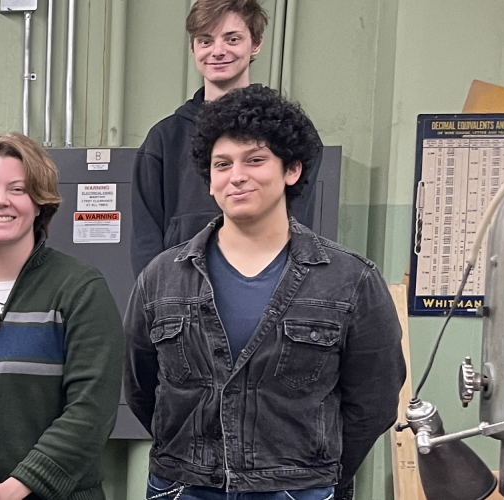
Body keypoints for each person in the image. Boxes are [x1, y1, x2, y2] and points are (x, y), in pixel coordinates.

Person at [123, 86, 404, 500]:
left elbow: (374, 401)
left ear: (291, 170)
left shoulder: (351, 280)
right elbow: (141, 387)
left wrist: (314, 474)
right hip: (184, 486)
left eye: (255, 160)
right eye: (222, 164)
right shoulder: (161, 278)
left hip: (297, 489)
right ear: (210, 179)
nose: (237, 175)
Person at [0, 134, 124, 500]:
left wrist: (19, 487)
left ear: (39, 201)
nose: (0, 201)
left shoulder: (82, 290)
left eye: (17, 189)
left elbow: (91, 409)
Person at [130, 0, 317, 275]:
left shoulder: (289, 131)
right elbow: (145, 239)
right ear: (193, 48)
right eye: (205, 41)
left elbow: (298, 223)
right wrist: (158, 294)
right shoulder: (163, 139)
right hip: (182, 290)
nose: (218, 51)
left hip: (269, 285)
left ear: (256, 43)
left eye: (232, 39)